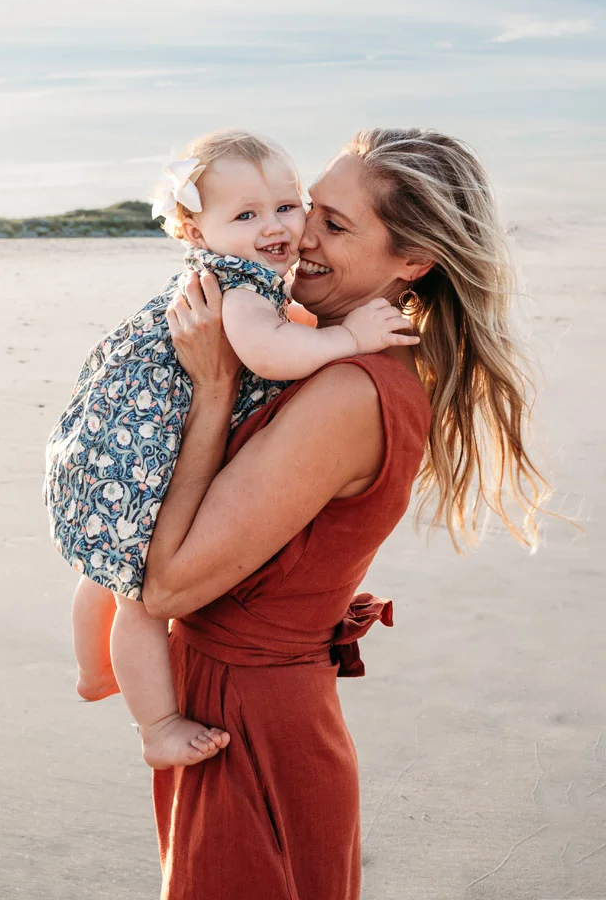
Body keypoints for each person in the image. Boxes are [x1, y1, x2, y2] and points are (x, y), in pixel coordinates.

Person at [141, 127, 555, 900]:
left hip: (247, 718)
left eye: (336, 225)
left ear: (412, 263)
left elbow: (165, 589)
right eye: (309, 212)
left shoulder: (349, 391)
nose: (300, 238)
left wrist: (211, 391)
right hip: (248, 703)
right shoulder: (334, 351)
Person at [42, 129, 416, 771]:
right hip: (145, 455)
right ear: (194, 229)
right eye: (246, 215)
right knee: (133, 597)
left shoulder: (240, 284)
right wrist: (348, 336)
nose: (280, 229)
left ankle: (93, 672)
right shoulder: (241, 287)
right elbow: (269, 351)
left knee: (108, 575)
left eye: (288, 207)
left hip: (116, 451)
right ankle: (153, 724)